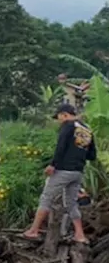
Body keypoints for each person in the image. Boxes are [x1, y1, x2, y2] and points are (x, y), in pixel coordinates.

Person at [23, 103, 98, 244]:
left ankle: (33, 230)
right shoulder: (87, 129)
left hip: (63, 170)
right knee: (71, 203)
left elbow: (61, 146)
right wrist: (78, 153)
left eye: (58, 117)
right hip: (78, 172)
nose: (58, 121)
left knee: (46, 198)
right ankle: (80, 235)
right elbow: (92, 155)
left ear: (64, 114)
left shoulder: (68, 126)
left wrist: (53, 164)